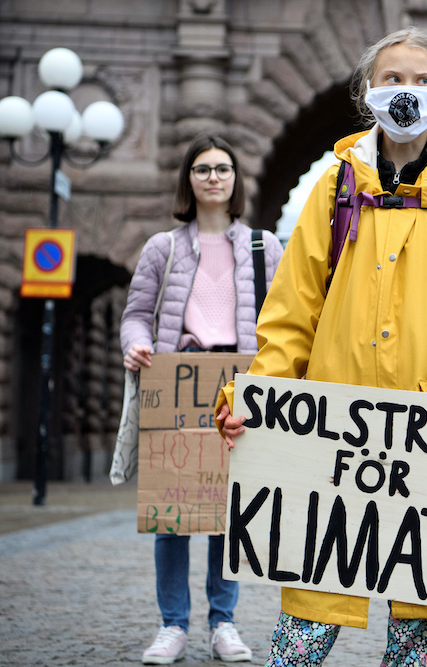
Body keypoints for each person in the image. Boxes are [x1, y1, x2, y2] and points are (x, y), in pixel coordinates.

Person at [213, 27, 427, 667]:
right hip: (329, 433)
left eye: (423, 80)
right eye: (393, 78)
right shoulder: (335, 187)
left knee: (415, 619)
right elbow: (290, 312)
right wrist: (256, 395)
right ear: (369, 92)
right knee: (307, 616)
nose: (407, 92)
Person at [120, 133, 284, 665]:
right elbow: (137, 315)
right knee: (172, 513)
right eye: (202, 169)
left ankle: (224, 622)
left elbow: (281, 323)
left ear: (236, 180)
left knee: (226, 511)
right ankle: (172, 625)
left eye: (223, 169)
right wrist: (137, 344)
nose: (213, 177)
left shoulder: (264, 247)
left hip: (238, 384)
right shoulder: (161, 248)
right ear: (188, 180)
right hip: (176, 380)